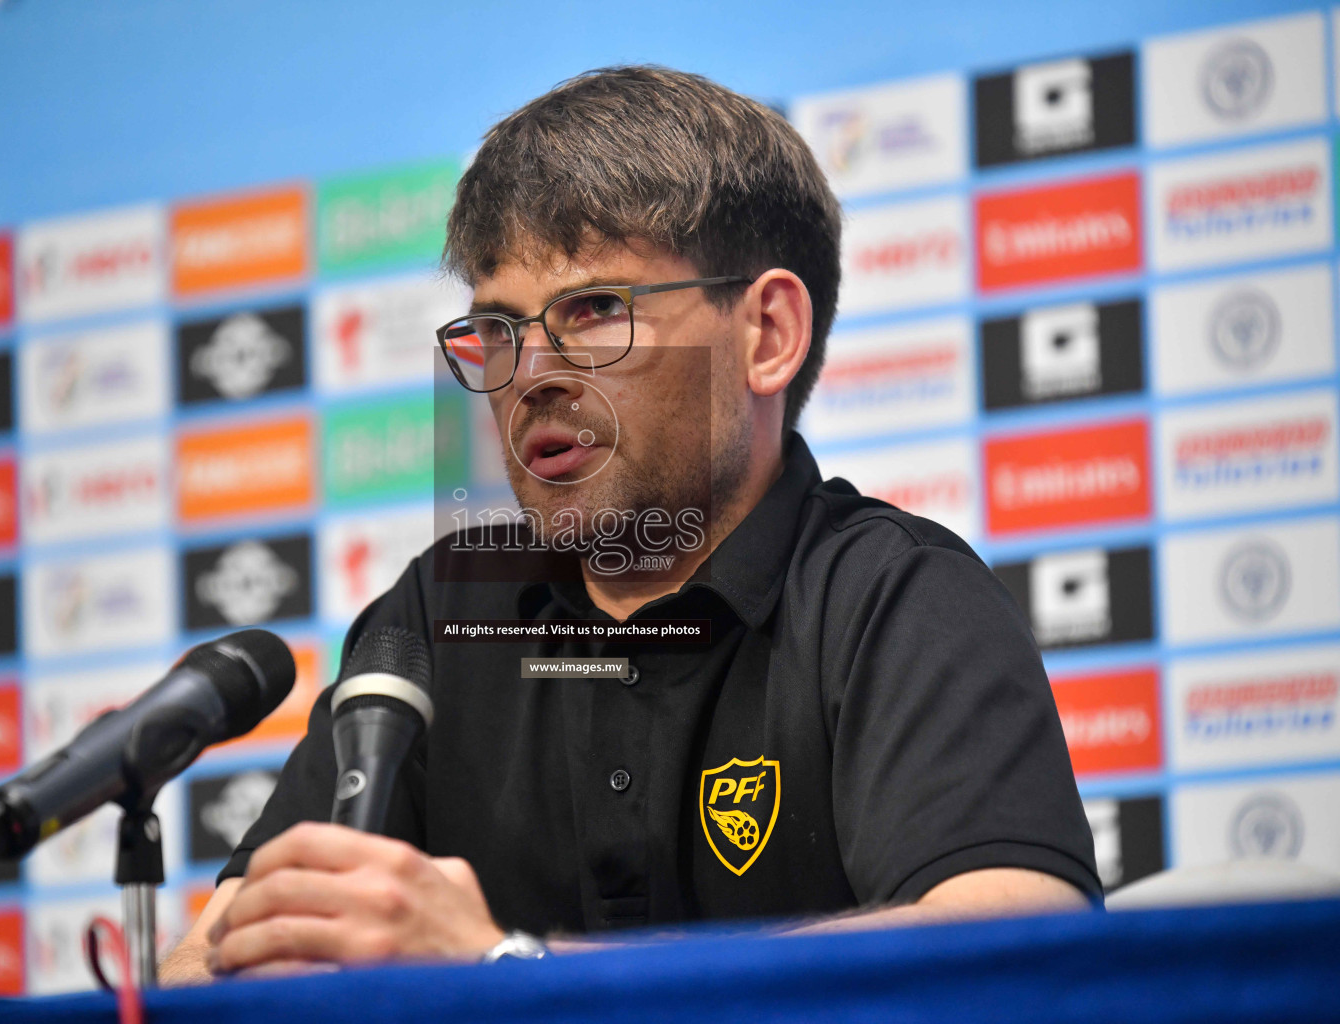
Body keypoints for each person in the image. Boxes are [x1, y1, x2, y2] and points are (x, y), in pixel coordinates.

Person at [161, 65, 1098, 983]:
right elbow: (212, 959)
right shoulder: (442, 616)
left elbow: (1016, 937)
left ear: (766, 334)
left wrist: (507, 970)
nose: (530, 376)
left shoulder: (895, 597)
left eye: (596, 309)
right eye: (500, 329)